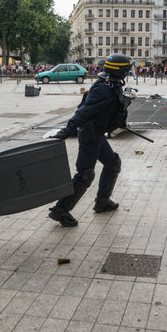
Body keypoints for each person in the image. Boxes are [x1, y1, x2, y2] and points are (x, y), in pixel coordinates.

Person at [48, 53, 133, 227]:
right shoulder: (103, 88)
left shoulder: (112, 84)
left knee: (113, 163)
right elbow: (84, 112)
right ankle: (61, 210)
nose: (128, 72)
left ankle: (102, 202)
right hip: (90, 134)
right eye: (127, 69)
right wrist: (66, 131)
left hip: (98, 133)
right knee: (85, 175)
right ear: (120, 70)